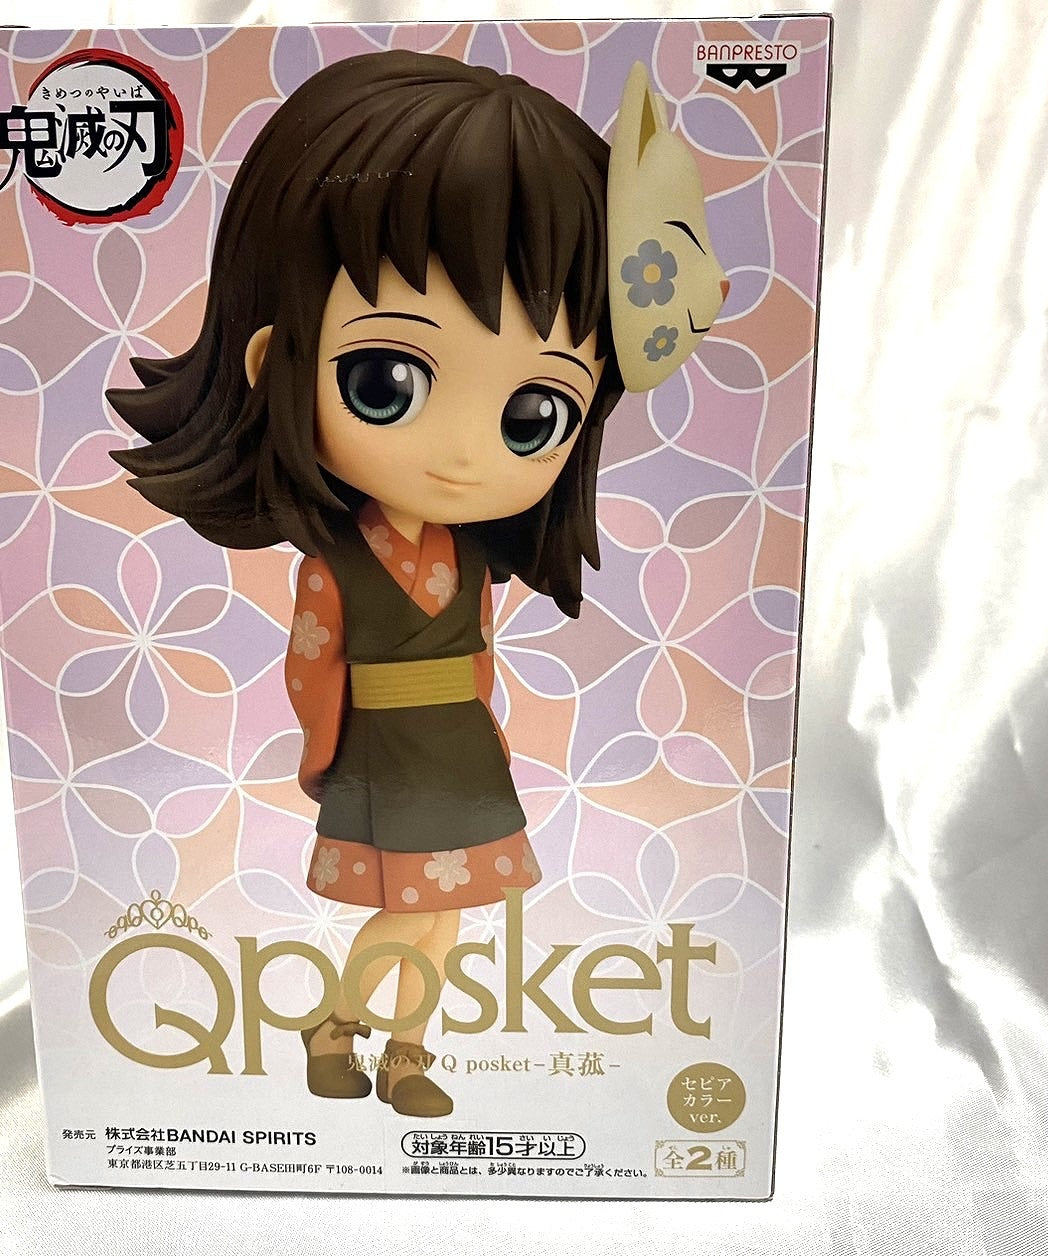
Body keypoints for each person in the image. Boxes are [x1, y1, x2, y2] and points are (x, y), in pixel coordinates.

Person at [108, 50, 626, 1117]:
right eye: (385, 380)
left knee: (446, 918)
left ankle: (402, 1051)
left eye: (533, 413)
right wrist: (323, 756)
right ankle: (339, 1025)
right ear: (274, 363)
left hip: (461, 748)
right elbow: (312, 668)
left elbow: (480, 655)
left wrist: (488, 729)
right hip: (381, 751)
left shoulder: (473, 558)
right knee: (408, 915)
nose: (463, 454)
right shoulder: (335, 561)